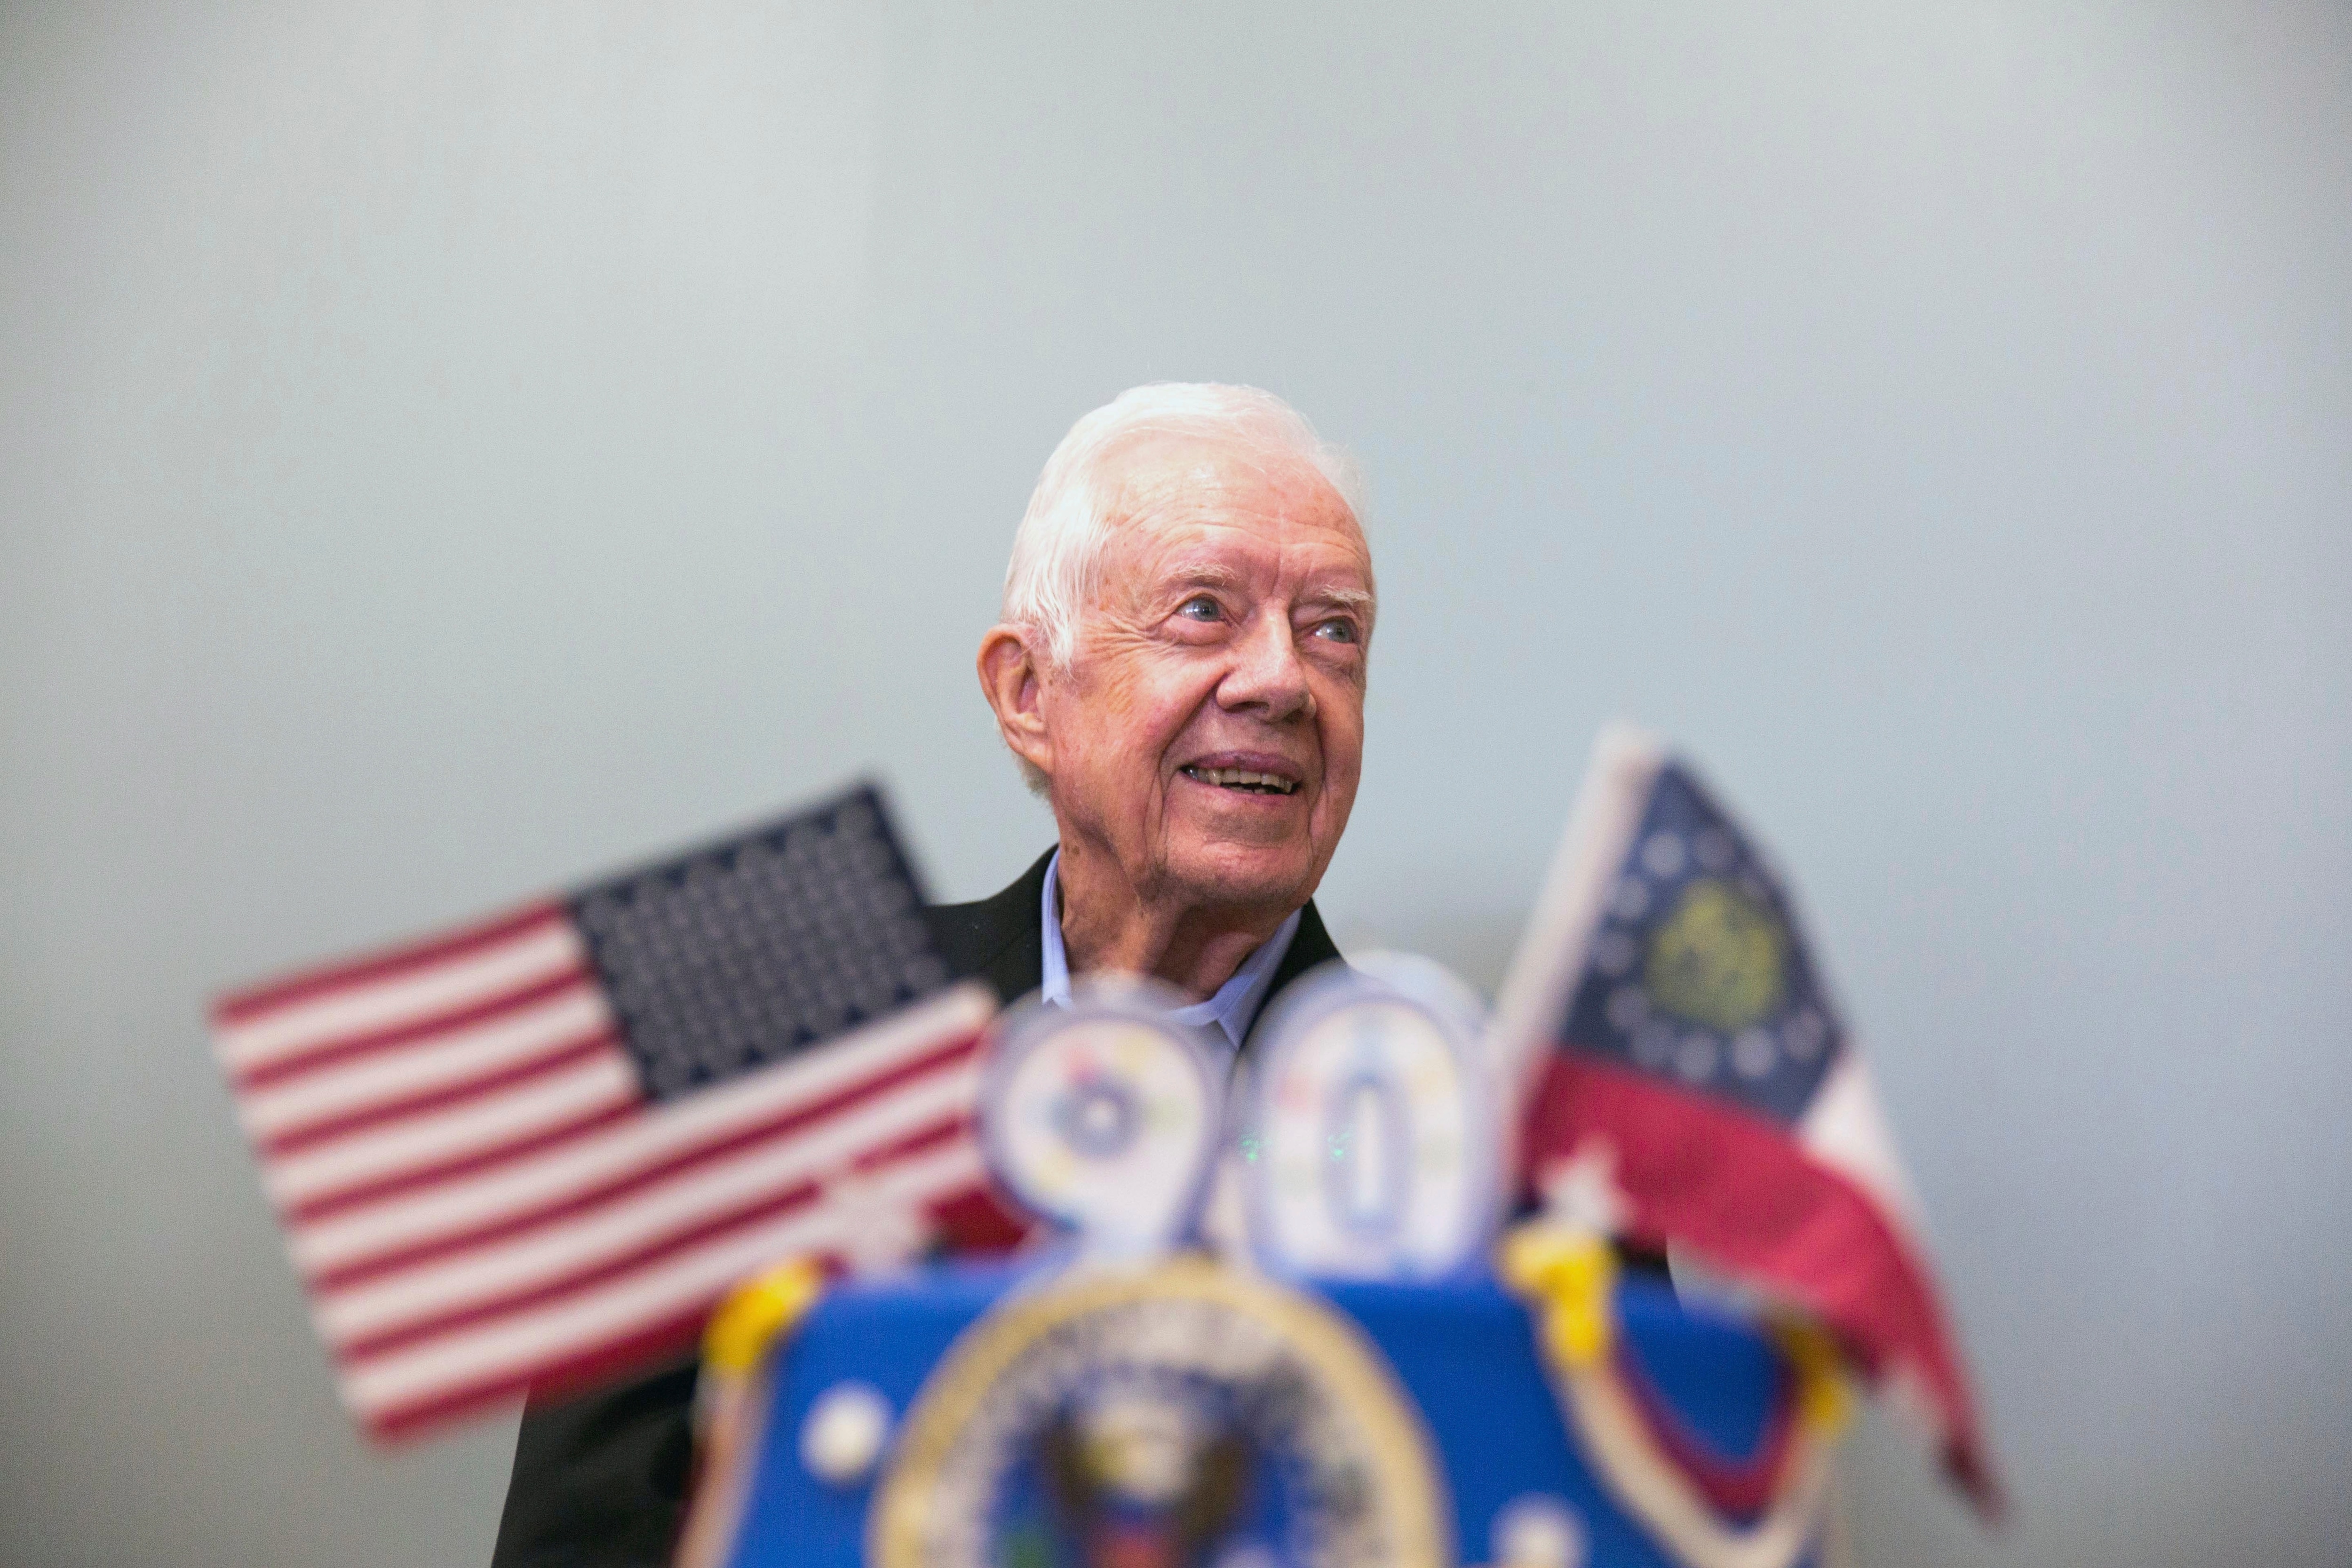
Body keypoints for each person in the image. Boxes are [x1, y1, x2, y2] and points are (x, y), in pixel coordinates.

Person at [490, 384, 1377, 1567]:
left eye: (1334, 631)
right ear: (1027, 695)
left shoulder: (1494, 1148)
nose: (1281, 681)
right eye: (1204, 612)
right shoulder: (774, 1048)